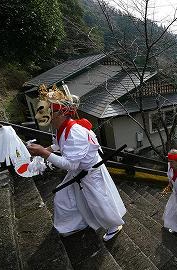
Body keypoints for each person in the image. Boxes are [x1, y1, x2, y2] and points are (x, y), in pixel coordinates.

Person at [27, 84, 126, 241]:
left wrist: (43, 153)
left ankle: (114, 225)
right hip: (79, 171)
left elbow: (70, 164)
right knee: (64, 197)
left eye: (48, 110)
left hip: (89, 172)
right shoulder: (62, 128)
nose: (45, 114)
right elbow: (61, 144)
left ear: (59, 113)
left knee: (100, 202)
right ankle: (74, 225)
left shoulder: (74, 132)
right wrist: (48, 149)